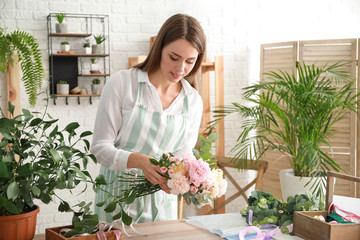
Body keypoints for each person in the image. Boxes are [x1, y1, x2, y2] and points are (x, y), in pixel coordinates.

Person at [91, 13, 206, 224]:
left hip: (163, 207)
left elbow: (183, 153)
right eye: (174, 57)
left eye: (190, 61)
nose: (181, 69)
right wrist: (137, 160)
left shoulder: (192, 101)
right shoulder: (123, 84)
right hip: (116, 203)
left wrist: (191, 176)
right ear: (159, 48)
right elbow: (99, 149)